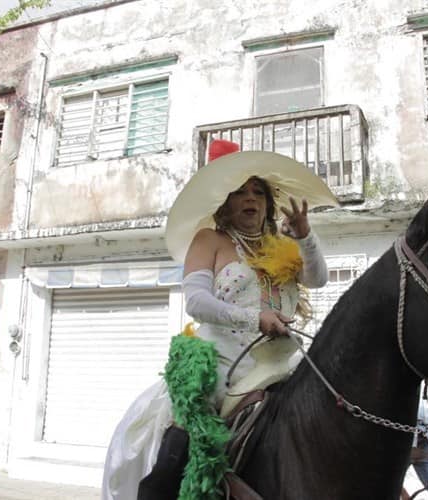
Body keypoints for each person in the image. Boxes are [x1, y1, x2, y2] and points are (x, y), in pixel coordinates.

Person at [101, 140, 339, 500]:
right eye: (240, 192)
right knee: (192, 423)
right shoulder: (210, 239)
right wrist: (254, 318)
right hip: (223, 364)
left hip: (285, 363)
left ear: (268, 202)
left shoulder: (284, 245)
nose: (251, 198)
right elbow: (196, 302)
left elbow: (318, 278)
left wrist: (306, 236)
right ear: (225, 203)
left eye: (257, 191)